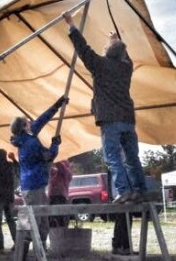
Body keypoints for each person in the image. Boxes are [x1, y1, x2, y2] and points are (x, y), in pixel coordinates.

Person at [63, 12, 146, 204]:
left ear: (108, 52)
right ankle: (140, 190)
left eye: (106, 46)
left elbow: (83, 49)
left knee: (113, 157)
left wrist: (71, 25)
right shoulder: (126, 68)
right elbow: (126, 57)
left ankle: (123, 191)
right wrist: (115, 40)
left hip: (110, 119)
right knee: (132, 157)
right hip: (127, 118)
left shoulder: (100, 65)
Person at [9, 95, 68, 248]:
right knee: (35, 222)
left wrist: (57, 105)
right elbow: (48, 157)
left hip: (36, 185)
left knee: (42, 221)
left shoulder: (27, 136)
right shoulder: (30, 143)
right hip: (33, 186)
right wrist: (55, 144)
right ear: (24, 127)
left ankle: (39, 257)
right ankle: (24, 256)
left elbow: (42, 119)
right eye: (28, 122)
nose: (31, 122)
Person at [47, 160, 73, 229]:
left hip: (61, 198)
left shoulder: (67, 173)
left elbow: (61, 167)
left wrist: (54, 158)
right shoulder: (54, 173)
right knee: (52, 218)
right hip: (52, 199)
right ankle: (53, 231)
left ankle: (62, 231)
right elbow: (48, 168)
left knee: (61, 218)